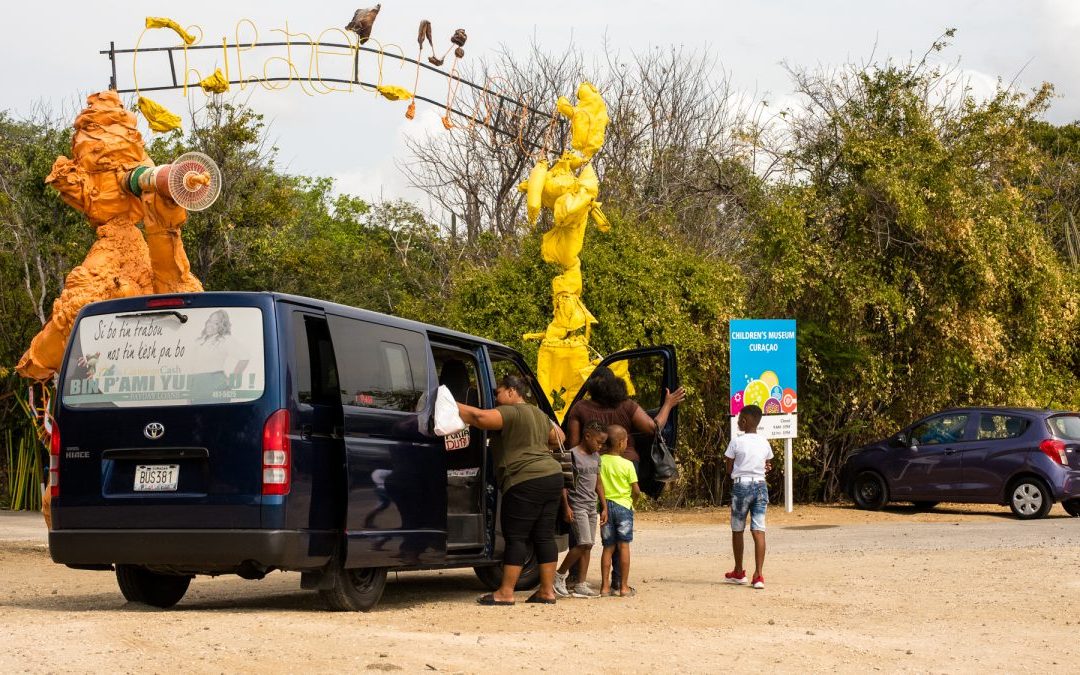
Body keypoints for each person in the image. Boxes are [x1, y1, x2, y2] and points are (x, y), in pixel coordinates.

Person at [564, 365, 685, 590]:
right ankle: (619, 581)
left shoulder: (580, 408)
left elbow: (572, 445)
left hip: (592, 471)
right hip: (627, 467)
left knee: (583, 519)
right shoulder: (626, 405)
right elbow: (654, 427)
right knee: (621, 532)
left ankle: (575, 577)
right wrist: (668, 404)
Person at [456, 374, 566, 605]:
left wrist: (449, 402)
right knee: (544, 535)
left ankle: (505, 593)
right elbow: (561, 437)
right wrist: (536, 444)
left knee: (516, 537)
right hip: (553, 476)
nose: (495, 398)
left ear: (512, 391)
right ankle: (547, 592)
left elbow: (479, 417)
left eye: (498, 392)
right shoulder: (539, 413)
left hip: (524, 480)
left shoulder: (511, 411)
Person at [554, 420, 608, 598]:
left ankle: (581, 583)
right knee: (583, 542)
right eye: (598, 442)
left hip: (592, 506)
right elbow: (564, 483)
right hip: (577, 505)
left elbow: (598, 482)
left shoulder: (596, 457)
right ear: (587, 436)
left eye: (602, 443)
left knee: (589, 545)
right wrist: (566, 506)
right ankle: (559, 575)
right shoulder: (572, 455)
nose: (600, 446)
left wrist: (604, 506)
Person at [723, 404, 773, 590]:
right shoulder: (764, 442)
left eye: (739, 419)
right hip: (760, 485)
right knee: (758, 530)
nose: (737, 421)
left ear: (744, 421)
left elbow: (729, 469)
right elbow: (767, 464)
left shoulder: (736, 441)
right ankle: (758, 576)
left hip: (741, 486)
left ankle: (738, 572)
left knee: (738, 529)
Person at [598, 424, 639, 597]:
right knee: (624, 547)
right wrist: (633, 502)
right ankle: (623, 587)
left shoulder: (600, 461)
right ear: (621, 443)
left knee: (608, 548)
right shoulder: (628, 464)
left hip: (605, 507)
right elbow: (636, 490)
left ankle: (605, 587)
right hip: (623, 507)